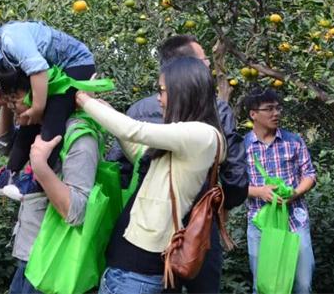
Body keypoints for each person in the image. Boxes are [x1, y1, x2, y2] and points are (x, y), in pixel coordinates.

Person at [106, 34, 248, 293]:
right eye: (204, 61)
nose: (209, 66)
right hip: (197, 228)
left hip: (144, 238)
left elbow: (122, 166)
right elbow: (236, 178)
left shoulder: (138, 109)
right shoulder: (216, 113)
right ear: (189, 72)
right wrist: (221, 205)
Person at [76, 57, 226, 294]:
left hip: (139, 275)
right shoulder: (183, 142)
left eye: (162, 90)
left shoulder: (204, 135)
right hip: (128, 272)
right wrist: (105, 110)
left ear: (183, 90)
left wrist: (83, 99)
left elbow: (134, 130)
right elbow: (139, 151)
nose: (158, 98)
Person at [0, 21, 94, 198]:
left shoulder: (10, 39)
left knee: (54, 111)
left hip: (76, 64)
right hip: (52, 71)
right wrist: (7, 93)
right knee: (28, 121)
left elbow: (38, 70)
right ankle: (11, 173)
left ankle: (39, 180)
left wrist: (37, 108)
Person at [0, 70, 99, 294]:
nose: (12, 107)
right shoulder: (36, 130)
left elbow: (77, 211)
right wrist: (5, 105)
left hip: (50, 264)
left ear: (39, 96)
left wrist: (40, 166)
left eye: (15, 100)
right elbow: (3, 146)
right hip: (28, 257)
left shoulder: (78, 137)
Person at [244, 88, 316, 294]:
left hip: (295, 221)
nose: (276, 113)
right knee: (264, 285)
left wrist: (295, 193)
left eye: (278, 108)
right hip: (260, 223)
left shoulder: (293, 141)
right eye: (269, 109)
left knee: (303, 283)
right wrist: (259, 192)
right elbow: (233, 185)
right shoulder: (243, 147)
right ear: (253, 114)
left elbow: (309, 174)